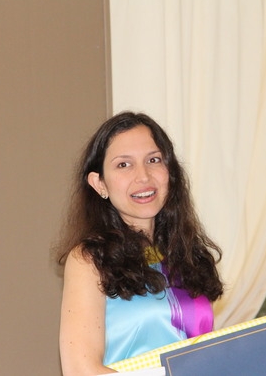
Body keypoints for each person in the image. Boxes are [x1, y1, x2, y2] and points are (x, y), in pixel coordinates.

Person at [55, 111, 224, 375]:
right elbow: (80, 369)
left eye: (154, 160)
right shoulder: (89, 260)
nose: (143, 176)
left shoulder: (189, 256)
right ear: (99, 184)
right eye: (124, 165)